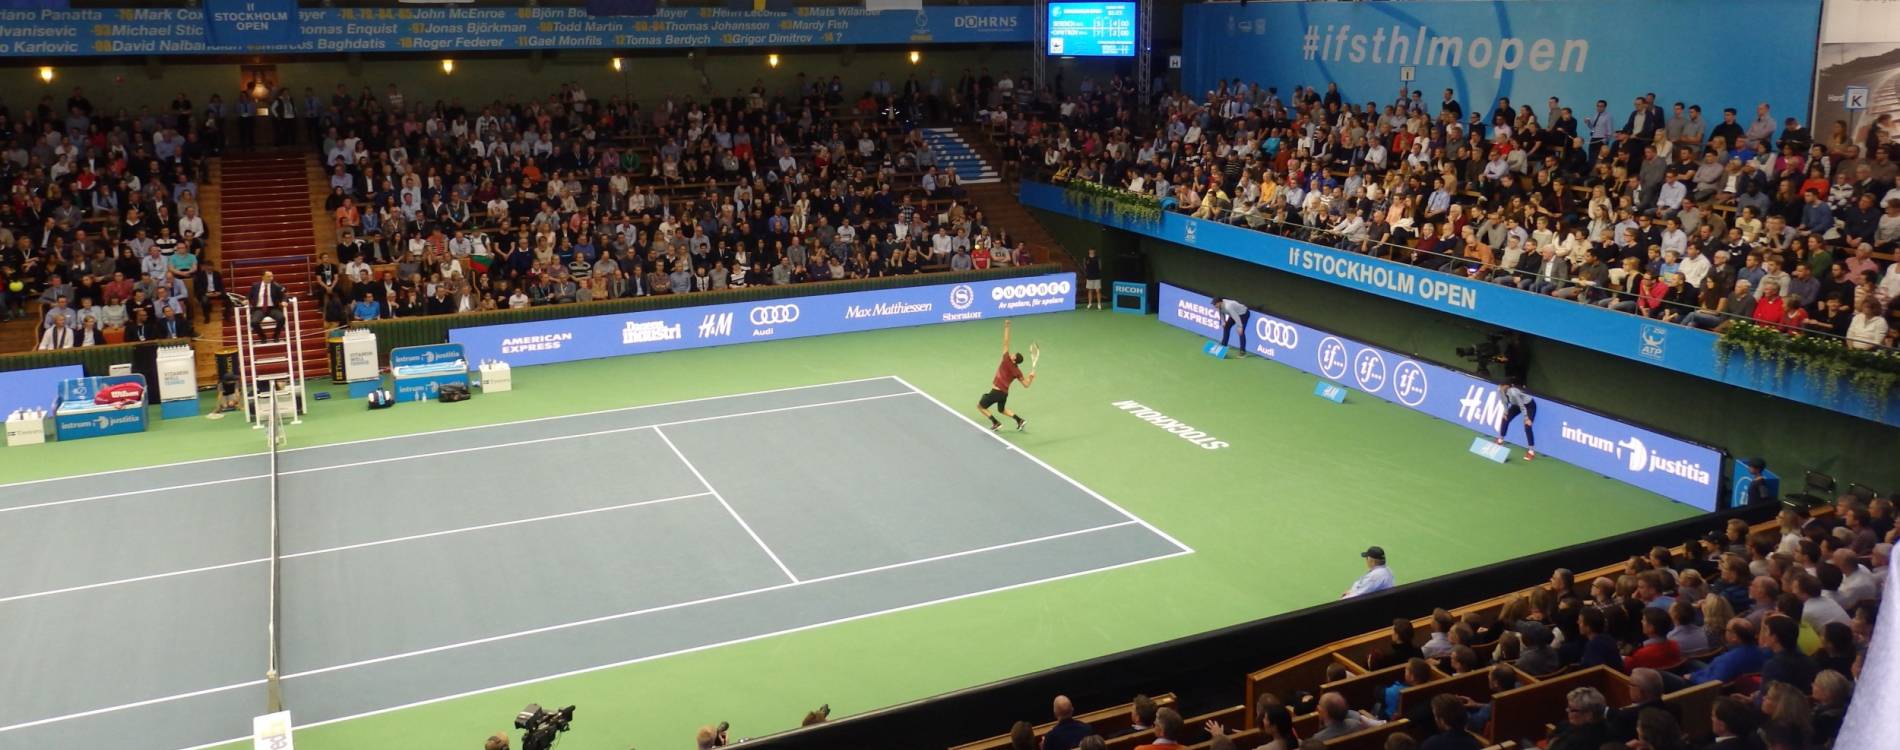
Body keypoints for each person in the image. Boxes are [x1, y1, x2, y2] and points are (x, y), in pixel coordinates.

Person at [977, 319, 1036, 432]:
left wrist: (1007, 327)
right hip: (1004, 394)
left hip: (996, 392)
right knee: (1001, 409)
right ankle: (1020, 420)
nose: (1012, 354)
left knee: (980, 406)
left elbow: (1005, 342)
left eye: (1014, 355)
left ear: (1014, 359)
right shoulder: (1017, 371)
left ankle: (996, 423)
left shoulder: (1006, 360)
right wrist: (1031, 377)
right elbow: (1026, 385)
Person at [1493, 381, 1538, 460]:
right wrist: (1506, 412)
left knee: (1527, 426)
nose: (1499, 387)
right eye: (1500, 385)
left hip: (1529, 405)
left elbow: (1522, 405)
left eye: (1501, 385)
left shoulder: (1513, 392)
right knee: (1505, 419)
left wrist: (1526, 418)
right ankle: (1500, 440)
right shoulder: (1500, 390)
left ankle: (1531, 452)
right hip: (1516, 405)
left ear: (1506, 386)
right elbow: (1504, 402)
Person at [249, 270, 287, 341]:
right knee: (254, 322)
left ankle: (276, 336)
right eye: (268, 276)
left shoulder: (276, 285)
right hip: (259, 309)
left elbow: (284, 294)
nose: (271, 278)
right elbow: (249, 296)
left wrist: (284, 301)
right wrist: (246, 300)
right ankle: (263, 337)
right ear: (263, 277)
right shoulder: (255, 286)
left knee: (281, 318)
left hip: (272, 308)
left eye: (272, 276)